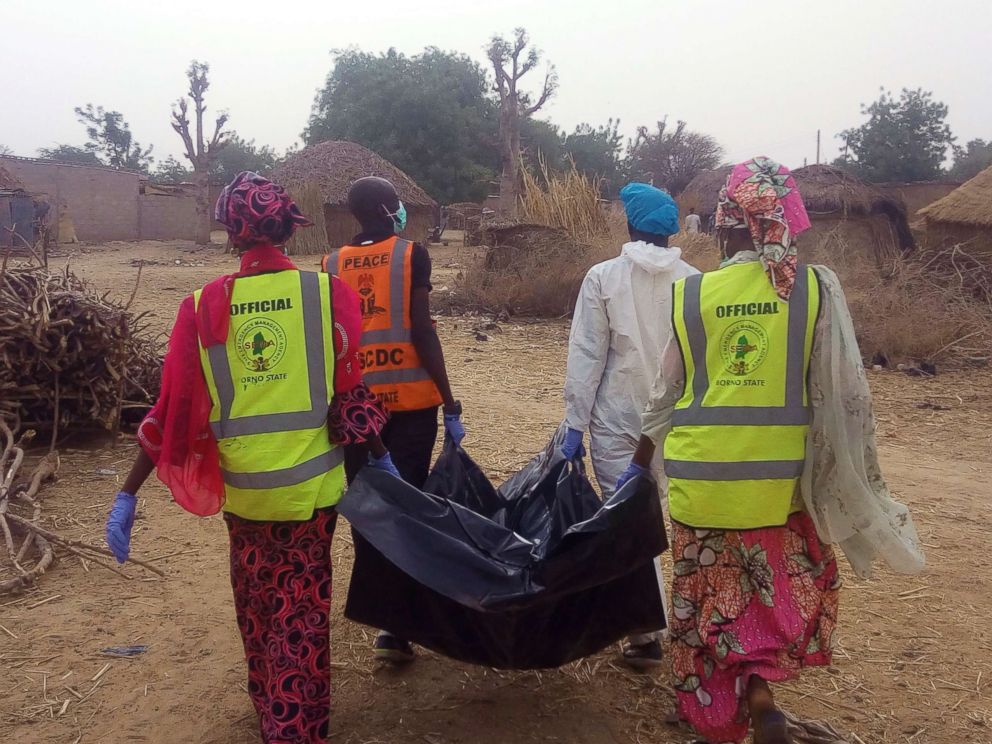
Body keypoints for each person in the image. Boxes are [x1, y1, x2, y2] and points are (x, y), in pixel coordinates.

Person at [617, 157, 925, 744]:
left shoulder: (691, 294)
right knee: (766, 594)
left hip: (701, 485)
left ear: (727, 224)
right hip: (780, 488)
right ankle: (762, 695)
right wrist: (853, 473)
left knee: (709, 601)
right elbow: (843, 392)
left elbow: (664, 398)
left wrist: (636, 471)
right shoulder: (813, 288)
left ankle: (725, 712)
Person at [104, 172, 397, 744]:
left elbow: (174, 406)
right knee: (304, 611)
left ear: (231, 233)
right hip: (312, 492)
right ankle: (300, 724)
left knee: (257, 604)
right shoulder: (323, 294)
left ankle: (272, 710)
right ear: (288, 227)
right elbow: (348, 391)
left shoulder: (202, 305)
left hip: (244, 493)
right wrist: (381, 457)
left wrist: (128, 492)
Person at [321, 176, 464, 665]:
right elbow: (422, 330)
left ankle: (386, 614)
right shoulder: (411, 255)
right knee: (408, 504)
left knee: (370, 507)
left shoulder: (331, 263)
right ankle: (395, 626)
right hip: (411, 405)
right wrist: (449, 399)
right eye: (397, 203)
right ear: (387, 209)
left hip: (358, 410)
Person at [561, 181, 698, 668]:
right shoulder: (696, 281)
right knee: (671, 517)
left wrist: (573, 425)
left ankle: (645, 634)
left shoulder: (603, 278)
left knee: (629, 521)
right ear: (671, 230)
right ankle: (684, 624)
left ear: (629, 224)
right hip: (680, 424)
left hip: (618, 420)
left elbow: (588, 356)